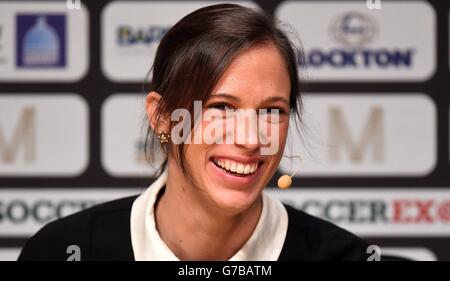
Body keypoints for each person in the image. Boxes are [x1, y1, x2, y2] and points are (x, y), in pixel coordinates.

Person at [18, 3, 370, 261]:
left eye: (271, 111)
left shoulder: (344, 257)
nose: (251, 139)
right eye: (221, 108)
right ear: (162, 117)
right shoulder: (62, 251)